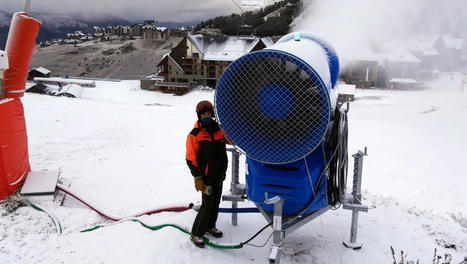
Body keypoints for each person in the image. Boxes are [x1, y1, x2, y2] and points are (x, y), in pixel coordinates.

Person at [186, 100, 228, 248]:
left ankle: (210, 226)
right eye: (203, 114)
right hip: (206, 177)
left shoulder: (218, 129)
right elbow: (190, 159)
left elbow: (229, 140)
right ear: (199, 115)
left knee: (216, 202)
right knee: (207, 204)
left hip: (219, 174)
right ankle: (196, 233)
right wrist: (198, 178)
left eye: (209, 113)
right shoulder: (195, 134)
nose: (207, 116)